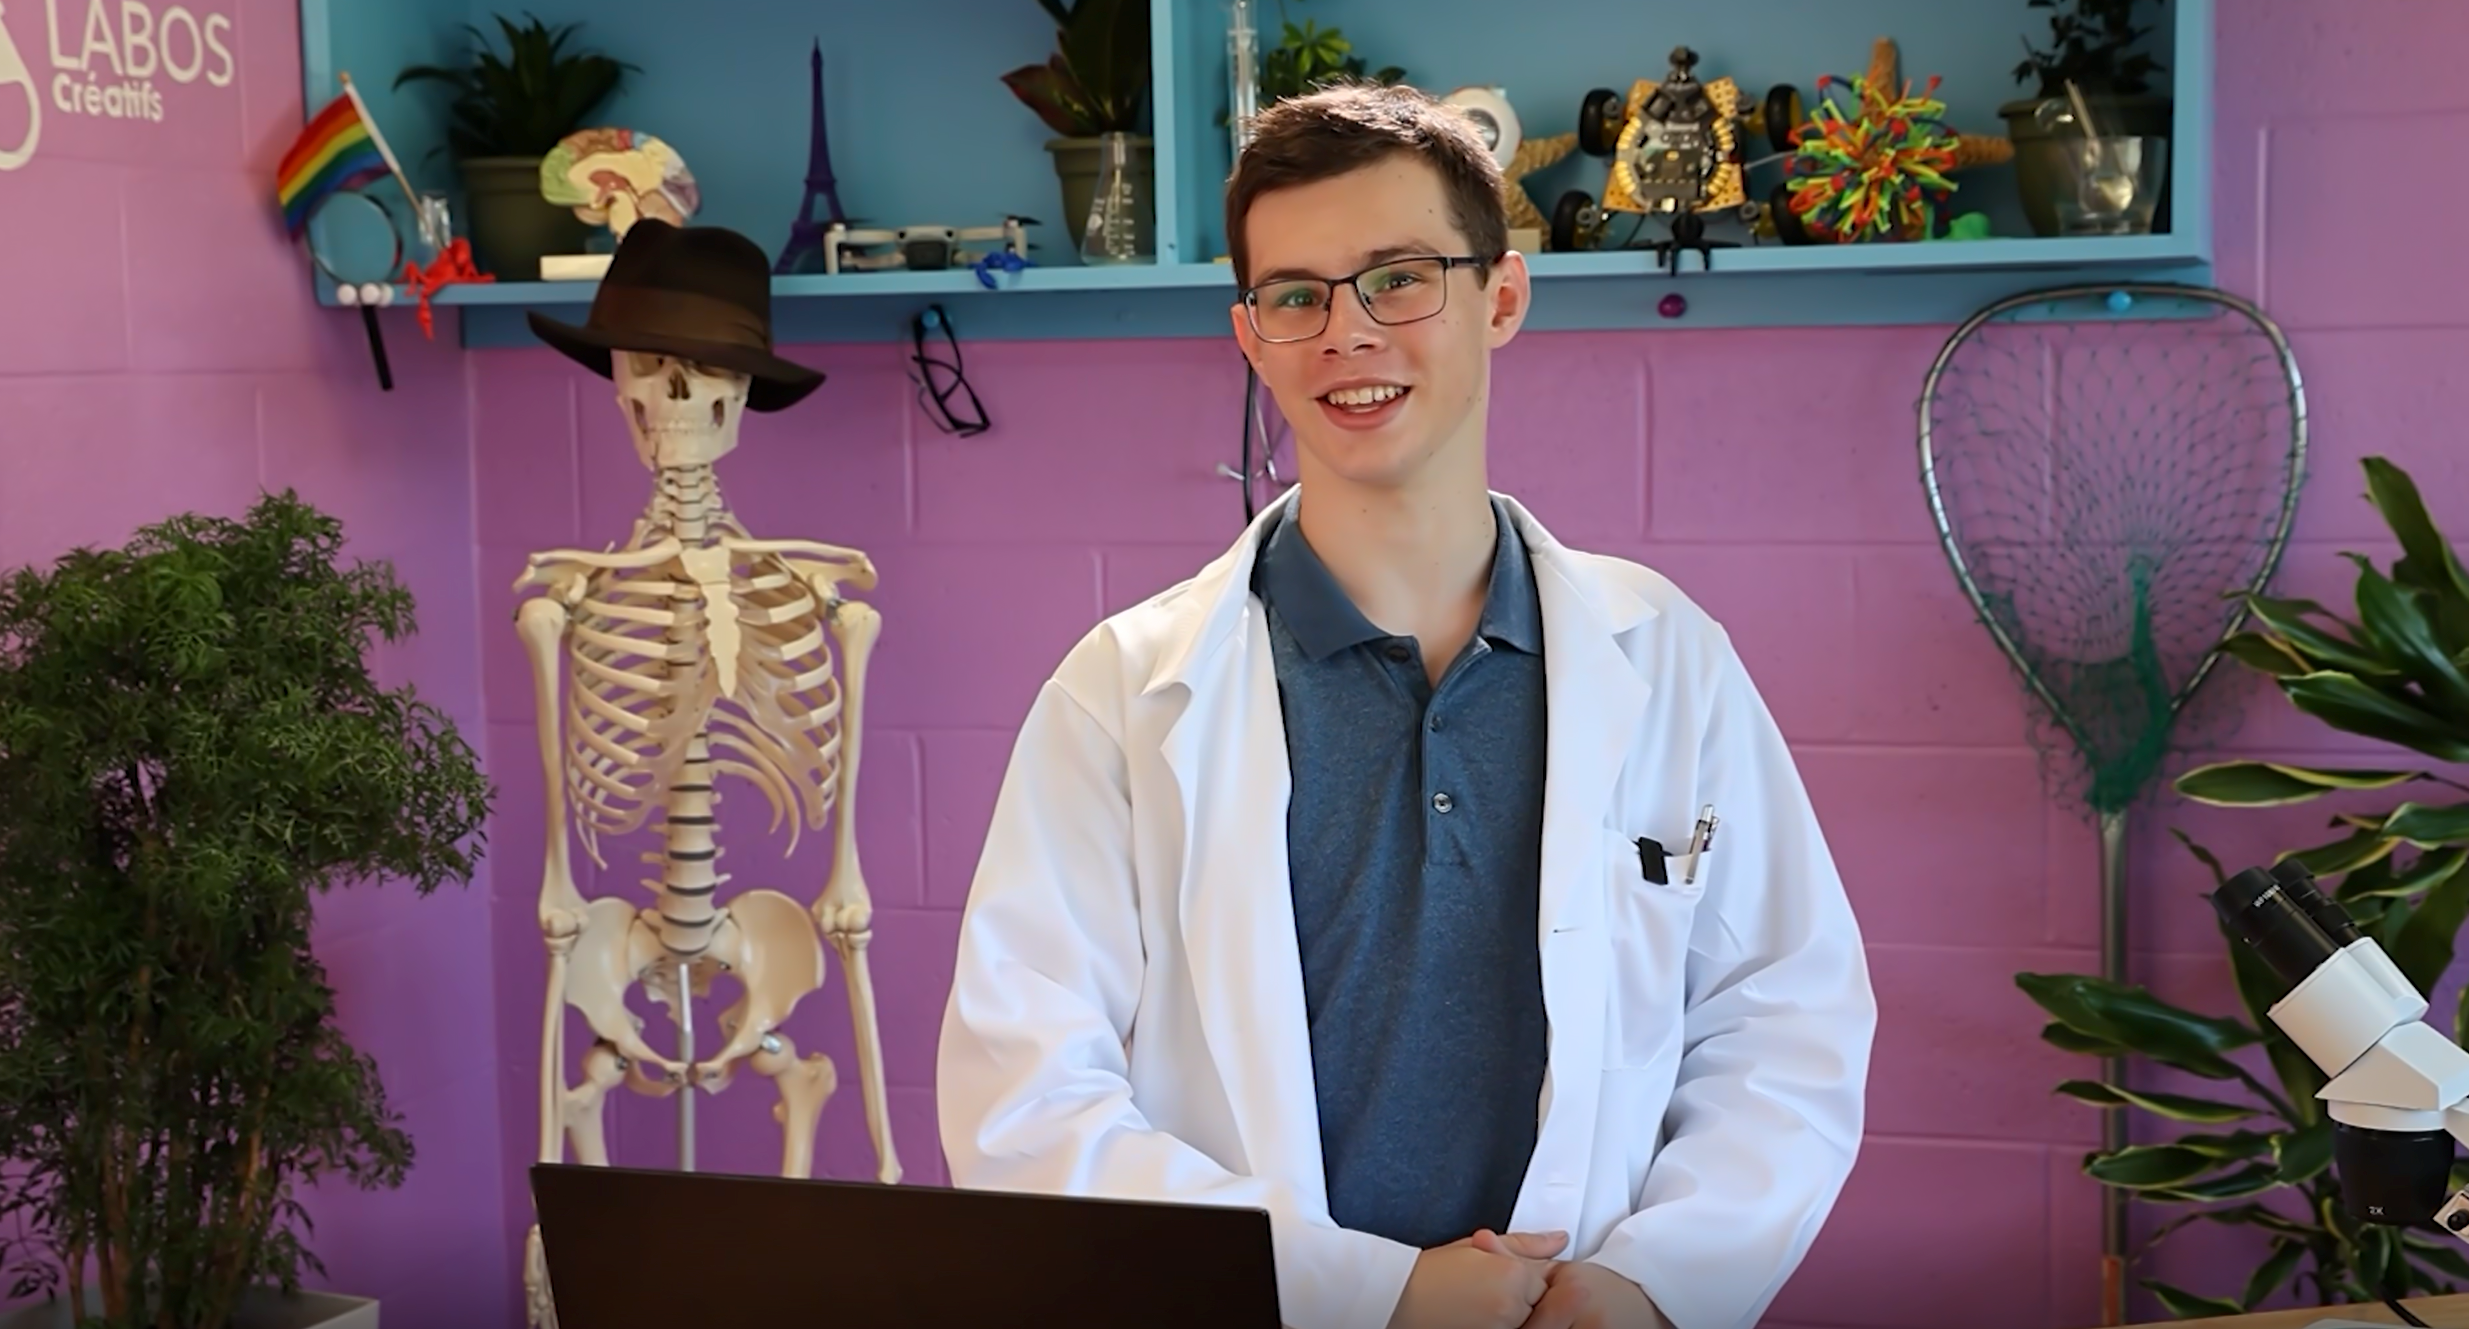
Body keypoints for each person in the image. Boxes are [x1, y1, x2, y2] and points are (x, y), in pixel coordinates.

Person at [935, 81, 1875, 1329]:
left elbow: (1783, 1019)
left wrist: (1656, 1284)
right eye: (1296, 296)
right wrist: (1370, 1295)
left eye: (1398, 278)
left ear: (1501, 298)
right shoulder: (1121, 694)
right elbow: (1025, 1108)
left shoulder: (1668, 659)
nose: (1347, 333)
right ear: (1250, 334)